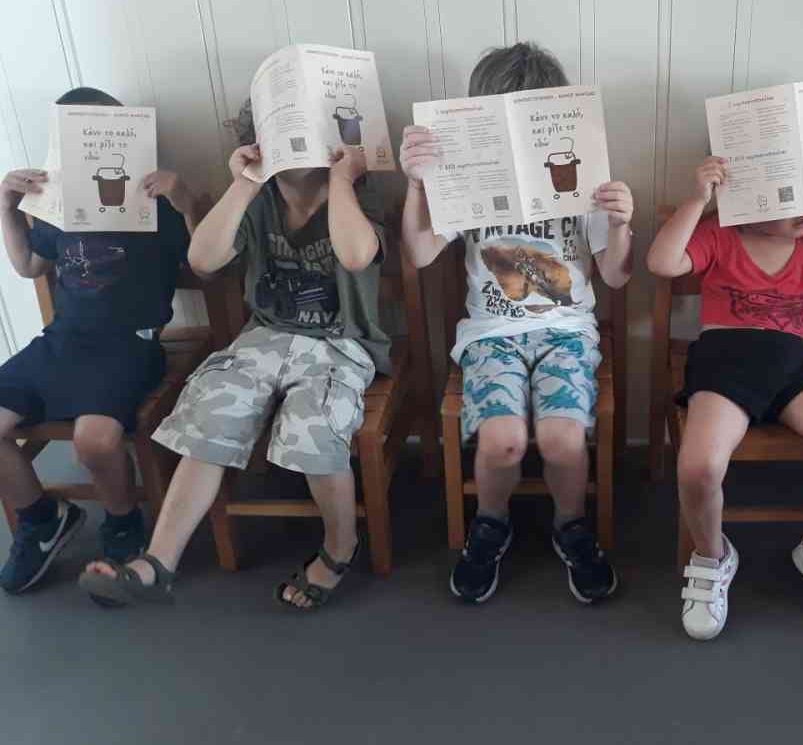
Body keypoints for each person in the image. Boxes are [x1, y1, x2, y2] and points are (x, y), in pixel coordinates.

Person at [78, 98, 390, 610]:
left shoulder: (358, 197)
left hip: (340, 345)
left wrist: (340, 180)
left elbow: (356, 255)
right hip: (262, 339)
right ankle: (158, 562)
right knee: (210, 411)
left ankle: (340, 546)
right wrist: (245, 182)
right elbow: (203, 259)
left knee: (315, 423)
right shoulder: (258, 200)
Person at [401, 42, 634, 605]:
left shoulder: (584, 176)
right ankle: (491, 521)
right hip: (491, 335)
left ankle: (570, 524)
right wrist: (416, 185)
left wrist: (620, 223)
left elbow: (616, 275)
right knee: (503, 440)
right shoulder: (465, 175)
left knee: (561, 438)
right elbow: (421, 253)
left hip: (567, 331)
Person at [646, 157, 803, 640]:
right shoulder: (719, 233)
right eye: (787, 198)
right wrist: (697, 200)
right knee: (699, 467)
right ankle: (711, 555)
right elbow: (662, 263)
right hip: (725, 360)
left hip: (791, 365)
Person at [0, 87, 201, 594]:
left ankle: (122, 521)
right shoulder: (59, 206)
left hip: (129, 345)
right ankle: (41, 520)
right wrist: (7, 206)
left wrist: (184, 199)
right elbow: (27, 265)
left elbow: (208, 262)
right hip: (62, 341)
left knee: (94, 438)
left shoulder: (156, 204)